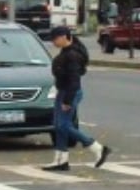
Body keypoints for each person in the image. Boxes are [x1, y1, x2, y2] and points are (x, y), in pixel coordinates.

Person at [44, 25, 111, 172]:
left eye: (55, 39)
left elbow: (74, 81)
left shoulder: (72, 55)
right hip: (62, 92)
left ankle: (97, 148)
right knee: (59, 126)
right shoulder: (67, 52)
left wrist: (68, 101)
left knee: (63, 125)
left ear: (63, 37)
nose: (53, 42)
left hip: (69, 93)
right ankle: (61, 160)